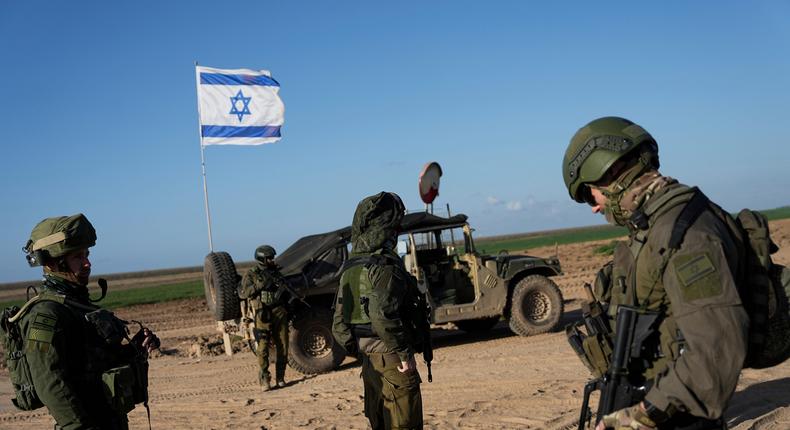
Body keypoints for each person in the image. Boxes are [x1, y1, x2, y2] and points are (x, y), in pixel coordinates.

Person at [563, 117, 749, 430]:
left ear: (609, 173)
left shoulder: (684, 234)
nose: (593, 207)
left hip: (679, 417)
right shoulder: (653, 226)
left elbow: (715, 355)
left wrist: (634, 418)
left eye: (588, 194)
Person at [16, 213, 159, 430]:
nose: (87, 264)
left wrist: (133, 349)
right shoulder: (44, 315)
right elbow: (49, 382)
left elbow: (93, 363)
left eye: (87, 255)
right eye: (77, 257)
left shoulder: (76, 305)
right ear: (53, 262)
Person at [332, 191, 425, 430]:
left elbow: (339, 324)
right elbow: (382, 314)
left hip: (370, 362)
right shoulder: (384, 266)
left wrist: (362, 352)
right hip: (392, 359)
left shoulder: (352, 266)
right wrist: (404, 354)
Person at [239, 244, 291, 391]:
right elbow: (245, 292)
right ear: (262, 259)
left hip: (279, 311)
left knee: (283, 346)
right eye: (269, 258)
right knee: (262, 348)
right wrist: (261, 284)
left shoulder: (276, 271)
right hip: (262, 313)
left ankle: (280, 378)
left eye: (272, 258)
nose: (271, 260)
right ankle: (264, 380)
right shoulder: (252, 274)